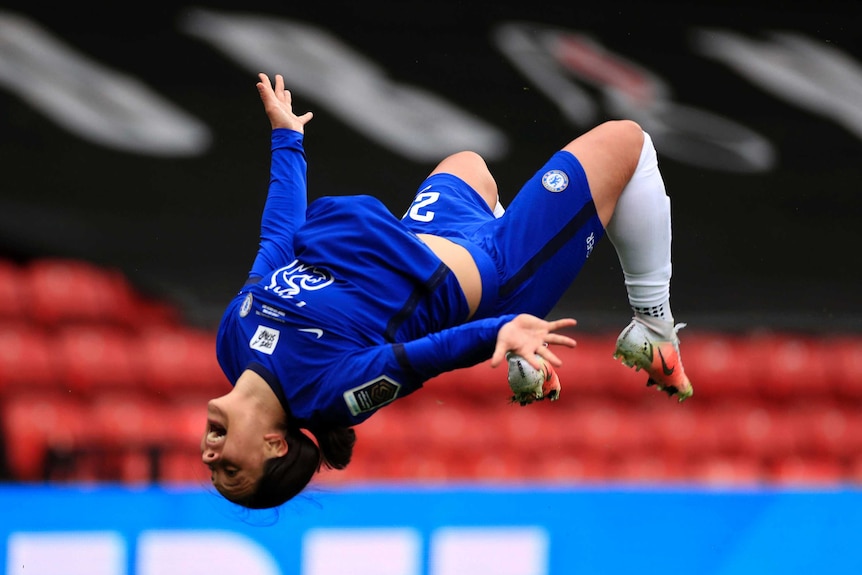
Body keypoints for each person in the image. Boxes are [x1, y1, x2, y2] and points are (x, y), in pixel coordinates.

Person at [202, 72, 692, 509]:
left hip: (420, 237)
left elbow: (278, 243)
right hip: (497, 274)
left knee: (469, 164)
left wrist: (287, 139)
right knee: (628, 140)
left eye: (214, 469)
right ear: (274, 445)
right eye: (231, 469)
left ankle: (527, 358)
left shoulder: (232, 341)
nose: (211, 455)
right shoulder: (324, 395)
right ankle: (653, 325)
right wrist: (501, 329)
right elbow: (418, 360)